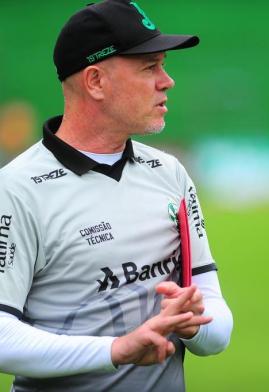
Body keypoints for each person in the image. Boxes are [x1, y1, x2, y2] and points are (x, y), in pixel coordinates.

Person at [0, 1, 233, 391]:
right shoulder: (16, 189)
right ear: (95, 82)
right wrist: (116, 350)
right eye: (149, 67)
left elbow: (215, 324)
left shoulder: (170, 173)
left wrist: (193, 323)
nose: (167, 81)